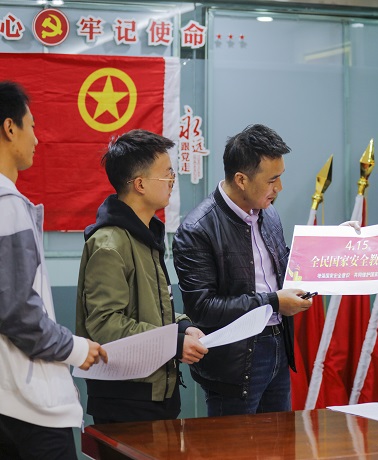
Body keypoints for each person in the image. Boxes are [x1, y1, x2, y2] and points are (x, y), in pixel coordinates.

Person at [173, 124, 312, 416]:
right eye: (272, 180)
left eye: (281, 177)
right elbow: (202, 308)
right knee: (235, 441)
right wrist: (273, 302)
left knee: (280, 440)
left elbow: (286, 266)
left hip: (278, 346)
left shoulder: (268, 213)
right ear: (241, 180)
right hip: (233, 363)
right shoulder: (197, 229)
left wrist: (330, 245)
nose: (279, 188)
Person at [0, 81, 106, 459]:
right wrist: (75, 348)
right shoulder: (7, 204)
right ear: (9, 128)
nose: (37, 139)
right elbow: (17, 312)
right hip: (26, 407)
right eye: (31, 126)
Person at [76, 129, 208, 424]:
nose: (172, 180)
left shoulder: (145, 235)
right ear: (140, 184)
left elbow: (150, 310)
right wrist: (173, 343)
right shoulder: (110, 244)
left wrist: (183, 326)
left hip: (157, 390)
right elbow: (104, 323)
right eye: (167, 173)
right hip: (126, 399)